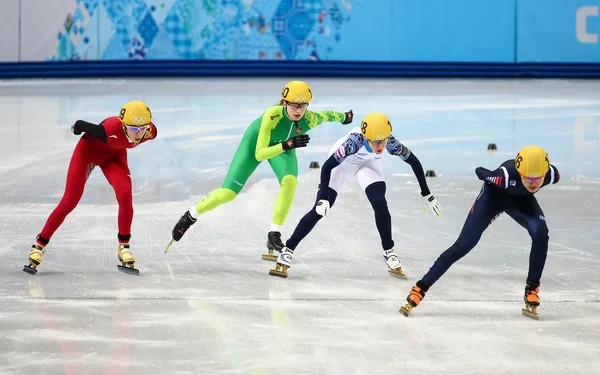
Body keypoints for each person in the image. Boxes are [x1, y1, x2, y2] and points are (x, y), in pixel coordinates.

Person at [166, 80, 353, 255]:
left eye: (303, 106)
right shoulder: (272, 115)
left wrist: (345, 117)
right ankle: (190, 215)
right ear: (284, 103)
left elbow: (328, 115)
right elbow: (260, 154)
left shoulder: (310, 119)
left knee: (289, 181)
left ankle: (274, 235)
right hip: (256, 144)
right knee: (228, 193)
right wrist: (287, 145)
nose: (299, 111)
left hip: (284, 145)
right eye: (295, 106)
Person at [268, 112, 442, 278]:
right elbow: (327, 166)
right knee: (319, 210)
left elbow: (414, 161)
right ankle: (288, 249)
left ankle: (389, 252)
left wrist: (427, 194)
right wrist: (322, 197)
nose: (381, 146)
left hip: (369, 164)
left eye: (383, 141)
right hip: (342, 164)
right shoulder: (352, 143)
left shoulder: (390, 142)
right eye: (376, 142)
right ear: (366, 138)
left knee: (380, 203)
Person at [399, 146, 560, 319]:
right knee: (464, 245)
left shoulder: (552, 175)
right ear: (520, 173)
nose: (534, 182)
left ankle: (532, 288)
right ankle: (420, 288)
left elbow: (537, 180)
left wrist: (529, 184)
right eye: (528, 178)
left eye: (538, 178)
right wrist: (488, 177)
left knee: (541, 232)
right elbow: (480, 171)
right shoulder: (503, 176)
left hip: (521, 201)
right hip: (493, 198)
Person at [23, 101, 157, 275]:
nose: (138, 134)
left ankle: (124, 247)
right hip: (87, 153)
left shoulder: (150, 132)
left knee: (125, 195)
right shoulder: (108, 129)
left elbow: (140, 132)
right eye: (133, 129)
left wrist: (140, 130)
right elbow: (82, 125)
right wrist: (76, 127)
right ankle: (39, 245)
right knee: (70, 200)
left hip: (114, 157)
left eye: (142, 129)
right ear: (124, 125)